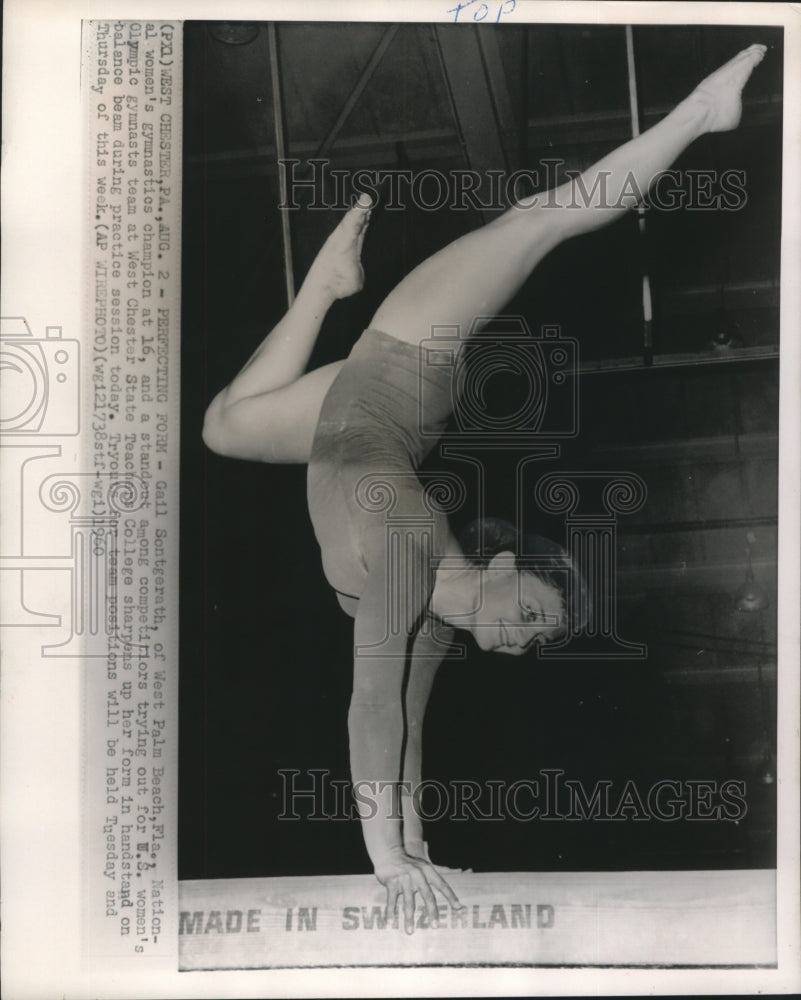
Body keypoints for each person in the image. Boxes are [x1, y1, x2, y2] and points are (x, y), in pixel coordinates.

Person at [203, 44, 767, 933]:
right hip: (409, 359)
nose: (525, 641)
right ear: (502, 560)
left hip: (355, 412)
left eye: (537, 637)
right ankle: (699, 112)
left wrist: (412, 850)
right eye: (536, 616)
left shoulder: (427, 611)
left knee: (226, 428)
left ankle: (325, 287)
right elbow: (370, 706)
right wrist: (383, 859)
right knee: (540, 220)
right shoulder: (407, 544)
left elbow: (400, 724)